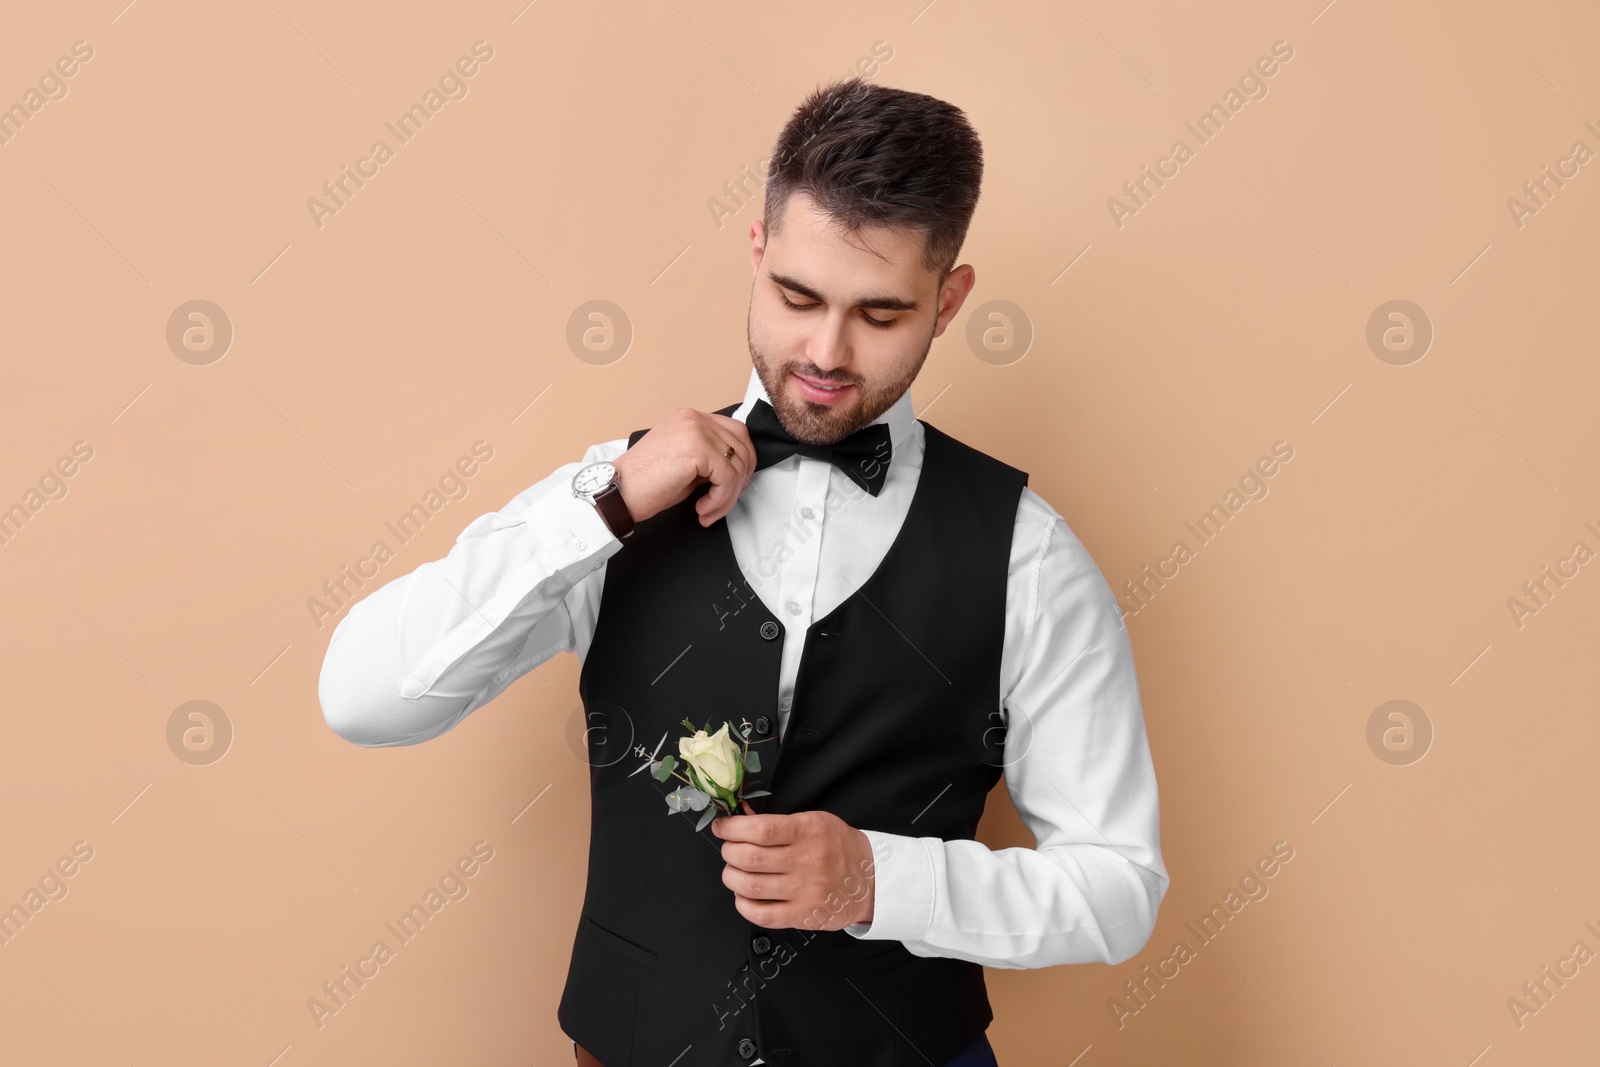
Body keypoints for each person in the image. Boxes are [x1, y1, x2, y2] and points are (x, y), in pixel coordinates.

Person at [318, 75, 1167, 1067]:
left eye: (880, 313)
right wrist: (604, 505)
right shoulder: (612, 501)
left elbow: (1118, 886)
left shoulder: (1027, 553)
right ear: (756, 251)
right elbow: (361, 695)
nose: (824, 351)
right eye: (796, 296)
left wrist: (880, 880)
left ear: (950, 298)